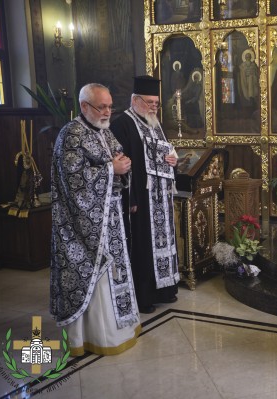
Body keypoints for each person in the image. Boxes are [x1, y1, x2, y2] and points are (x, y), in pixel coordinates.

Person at [50, 83, 140, 356]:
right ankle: (90, 338)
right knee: (94, 276)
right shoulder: (71, 134)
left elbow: (117, 158)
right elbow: (73, 182)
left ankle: (118, 331)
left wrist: (122, 166)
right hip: (81, 225)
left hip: (109, 218)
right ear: (84, 106)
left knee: (114, 274)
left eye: (110, 106)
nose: (108, 111)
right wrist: (111, 170)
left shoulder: (104, 131)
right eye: (102, 106)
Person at [110, 75, 180, 314]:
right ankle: (145, 296)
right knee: (143, 247)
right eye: (150, 102)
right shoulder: (123, 124)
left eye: (156, 103)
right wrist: (132, 199)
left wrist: (173, 160)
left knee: (163, 243)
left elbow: (166, 152)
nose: (153, 107)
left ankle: (165, 290)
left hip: (161, 198)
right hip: (140, 200)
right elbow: (122, 164)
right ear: (135, 100)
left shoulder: (155, 123)